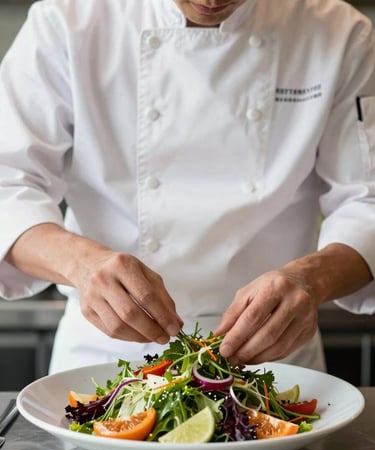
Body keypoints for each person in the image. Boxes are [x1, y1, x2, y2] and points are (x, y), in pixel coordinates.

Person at [0, 0, 374, 375]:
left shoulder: (339, 32)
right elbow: (8, 185)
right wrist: (80, 264)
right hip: (103, 357)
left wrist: (310, 280)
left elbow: (367, 200)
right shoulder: (66, 21)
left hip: (274, 360)